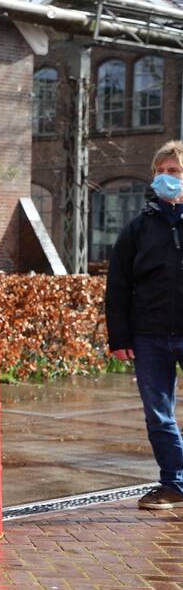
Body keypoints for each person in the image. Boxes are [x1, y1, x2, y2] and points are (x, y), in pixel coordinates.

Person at [106, 140, 183, 510]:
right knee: (158, 414)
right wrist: (119, 336)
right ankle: (173, 484)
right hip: (149, 337)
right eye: (160, 171)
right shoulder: (137, 229)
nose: (166, 178)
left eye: (174, 171)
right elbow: (118, 285)